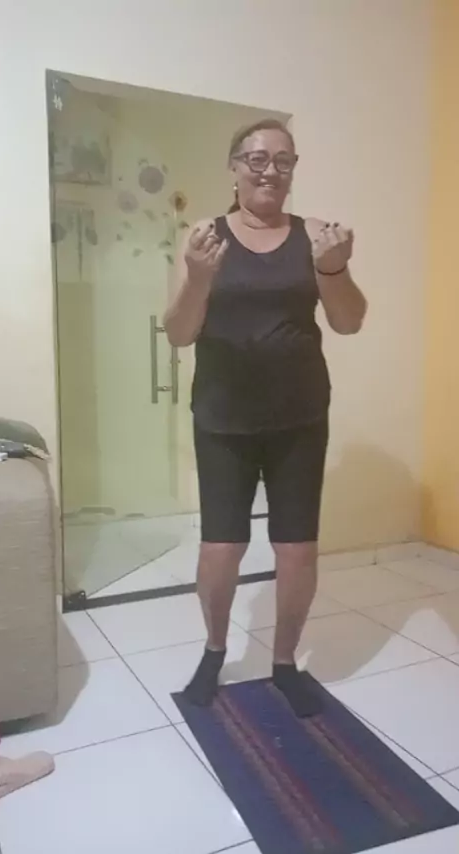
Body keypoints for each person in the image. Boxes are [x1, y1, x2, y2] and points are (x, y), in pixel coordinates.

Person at [163, 119, 367, 717]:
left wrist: (334, 269)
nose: (269, 170)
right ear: (234, 166)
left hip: (299, 418)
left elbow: (350, 321)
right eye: (256, 158)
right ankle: (214, 649)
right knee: (221, 547)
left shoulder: (315, 237)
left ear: (293, 169)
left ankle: (283, 662)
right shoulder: (206, 239)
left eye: (283, 159)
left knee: (297, 548)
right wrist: (199, 278)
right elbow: (178, 332)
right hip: (222, 420)